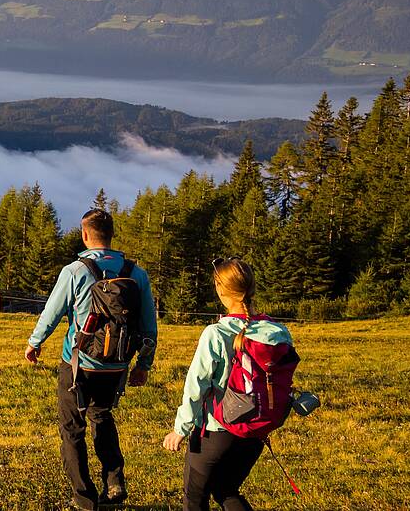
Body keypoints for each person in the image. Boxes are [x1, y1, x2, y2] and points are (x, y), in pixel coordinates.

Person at [26, 209, 159, 509]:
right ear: (111, 236)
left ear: (85, 235)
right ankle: (114, 483)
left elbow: (52, 314)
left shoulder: (74, 271)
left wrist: (34, 343)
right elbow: (149, 326)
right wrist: (143, 365)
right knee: (102, 417)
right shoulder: (136, 274)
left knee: (72, 428)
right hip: (117, 366)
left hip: (78, 364)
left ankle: (84, 498)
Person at [161, 259, 295, 511]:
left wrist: (181, 429)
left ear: (220, 290)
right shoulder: (279, 331)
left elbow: (196, 386)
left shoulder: (215, 333)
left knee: (194, 499)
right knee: (225, 490)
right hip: (256, 431)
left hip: (215, 432)